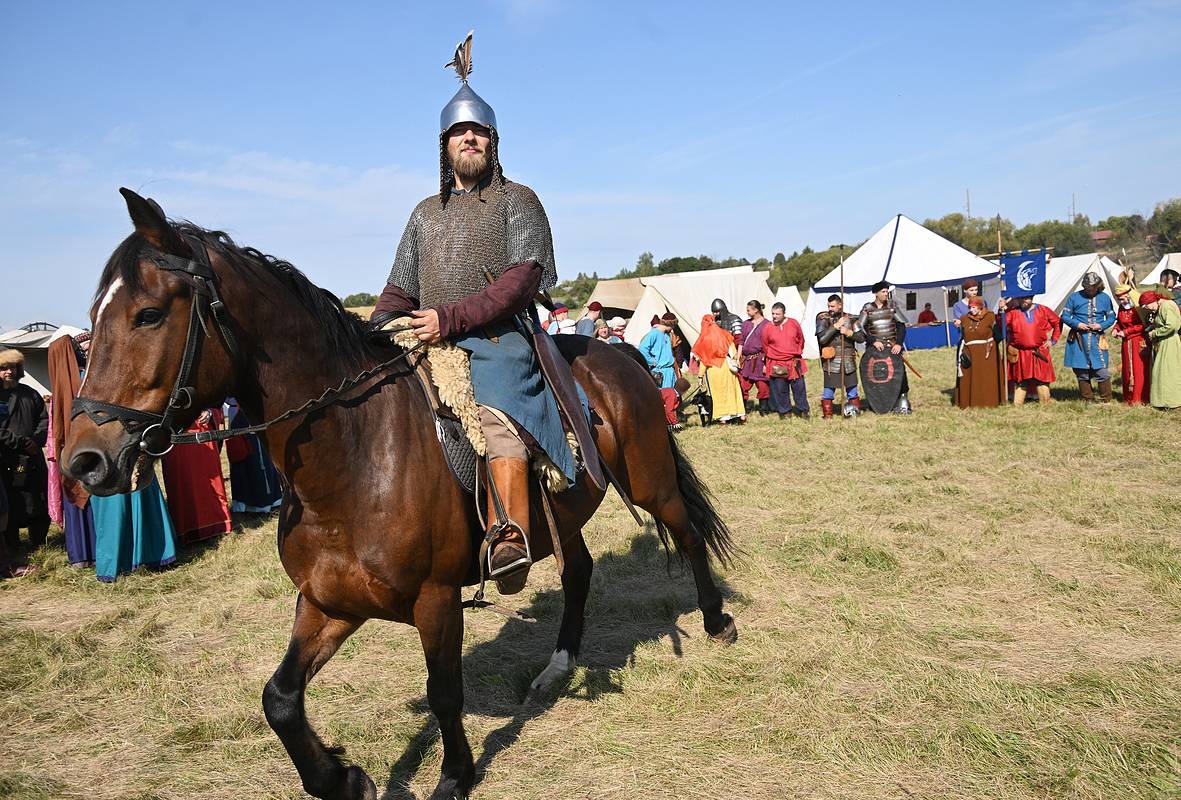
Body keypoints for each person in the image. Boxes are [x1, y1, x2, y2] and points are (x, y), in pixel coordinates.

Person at [370, 46, 575, 593]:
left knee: (498, 403)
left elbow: (522, 279)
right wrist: (376, 325)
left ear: (493, 141)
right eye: (459, 133)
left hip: (496, 335)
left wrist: (451, 317)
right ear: (444, 145)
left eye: (478, 132)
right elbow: (399, 285)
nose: (469, 139)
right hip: (429, 333)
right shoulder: (424, 214)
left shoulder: (518, 200)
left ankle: (510, 533)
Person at [47, 334, 97, 567]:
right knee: (80, 494)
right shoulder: (75, 382)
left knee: (82, 496)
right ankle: (85, 552)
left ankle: (83, 553)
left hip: (77, 448)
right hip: (82, 448)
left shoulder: (68, 383)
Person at [0, 348, 50, 556]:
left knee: (38, 497)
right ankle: (12, 544)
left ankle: (38, 542)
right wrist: (20, 443)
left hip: (33, 457)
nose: (8, 372)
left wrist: (35, 442)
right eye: (3, 368)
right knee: (11, 501)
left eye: (12, 367)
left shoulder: (31, 393)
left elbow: (44, 420)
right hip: (5, 458)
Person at [162, 407, 233, 545]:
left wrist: (210, 413)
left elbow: (216, 403)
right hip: (178, 440)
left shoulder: (203, 385)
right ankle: (187, 530)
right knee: (184, 484)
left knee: (210, 484)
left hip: (203, 435)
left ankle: (217, 524)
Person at [858, 280, 913, 414]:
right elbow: (859, 327)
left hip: (892, 346)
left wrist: (899, 343)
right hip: (874, 349)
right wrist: (872, 340)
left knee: (900, 375)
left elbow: (901, 326)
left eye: (887, 291)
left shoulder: (892, 306)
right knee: (877, 376)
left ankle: (901, 402)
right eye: (883, 291)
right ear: (875, 293)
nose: (886, 294)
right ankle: (878, 403)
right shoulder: (867, 308)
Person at [1061, 272, 1116, 402]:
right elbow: (1065, 316)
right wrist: (1077, 324)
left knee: (1101, 370)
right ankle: (1088, 399)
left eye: (1091, 288)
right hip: (1079, 339)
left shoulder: (1104, 298)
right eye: (1086, 288)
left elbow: (1111, 317)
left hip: (1097, 339)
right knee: (1082, 371)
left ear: (1097, 286)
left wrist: (1101, 325)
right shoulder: (1074, 297)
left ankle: (1106, 399)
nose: (1089, 290)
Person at [225, 397, 283, 514]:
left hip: (252, 412)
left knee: (259, 457)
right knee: (241, 455)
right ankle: (245, 503)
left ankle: (266, 501)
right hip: (238, 415)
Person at [1004, 296, 1061, 405]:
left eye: (1026, 299)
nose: (1023, 301)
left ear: (1032, 298)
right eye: (1021, 299)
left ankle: (1045, 404)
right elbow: (1001, 325)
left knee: (1042, 379)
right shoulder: (1012, 312)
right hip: (1021, 353)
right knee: (1020, 380)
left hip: (1039, 351)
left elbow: (1057, 322)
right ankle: (1017, 405)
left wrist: (1053, 340)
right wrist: (1002, 310)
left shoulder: (1043, 310)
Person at [814, 294, 863, 419]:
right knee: (829, 389)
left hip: (848, 358)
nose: (830, 308)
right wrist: (835, 327)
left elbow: (861, 338)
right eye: (829, 306)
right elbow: (823, 339)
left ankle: (854, 412)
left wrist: (849, 332)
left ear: (840, 305)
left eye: (833, 306)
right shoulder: (823, 318)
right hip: (831, 360)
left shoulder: (850, 319)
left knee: (852, 388)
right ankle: (828, 415)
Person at [691, 315, 745, 424]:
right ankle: (739, 415)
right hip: (726, 366)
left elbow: (704, 360)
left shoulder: (705, 339)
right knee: (732, 390)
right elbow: (734, 353)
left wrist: (700, 375)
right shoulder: (725, 334)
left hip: (713, 369)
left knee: (718, 393)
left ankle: (723, 418)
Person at [954, 297, 1004, 408]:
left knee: (986, 377)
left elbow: (998, 335)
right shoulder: (964, 318)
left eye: (974, 307)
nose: (972, 310)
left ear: (980, 306)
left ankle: (989, 402)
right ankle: (968, 402)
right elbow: (963, 335)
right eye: (970, 307)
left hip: (987, 353)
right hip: (970, 353)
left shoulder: (990, 316)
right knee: (970, 377)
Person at [764, 302, 809, 419]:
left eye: (777, 314)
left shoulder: (793, 323)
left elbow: (801, 339)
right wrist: (775, 356)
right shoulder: (768, 327)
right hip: (777, 362)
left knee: (799, 388)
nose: (774, 316)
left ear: (784, 313)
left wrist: (795, 352)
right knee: (780, 389)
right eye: (773, 314)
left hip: (794, 362)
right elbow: (765, 345)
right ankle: (785, 412)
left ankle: (803, 410)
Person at [1111, 284, 1152, 406]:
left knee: (1138, 369)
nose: (1122, 302)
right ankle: (1129, 398)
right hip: (1126, 343)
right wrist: (1115, 328)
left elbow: (1143, 325)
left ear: (1129, 296)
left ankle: (1140, 398)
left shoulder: (1139, 308)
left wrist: (1126, 332)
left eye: (1123, 299)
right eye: (1120, 300)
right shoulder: (1122, 308)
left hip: (1139, 342)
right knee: (1127, 369)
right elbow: (1119, 321)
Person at [1140, 291, 1181, 410]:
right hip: (1163, 342)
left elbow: (1172, 326)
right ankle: (1163, 401)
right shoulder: (1160, 308)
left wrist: (1156, 333)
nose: (1147, 308)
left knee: (1168, 372)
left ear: (1153, 301)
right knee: (1161, 372)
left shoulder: (1167, 306)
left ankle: (1171, 402)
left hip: (1169, 343)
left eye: (1146, 306)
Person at [738, 300, 771, 415]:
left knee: (763, 387)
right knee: (743, 385)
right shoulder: (746, 324)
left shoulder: (767, 324)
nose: (746, 312)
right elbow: (741, 342)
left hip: (760, 360)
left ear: (756, 310)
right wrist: (738, 358)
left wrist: (767, 363)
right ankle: (742, 410)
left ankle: (764, 410)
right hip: (747, 361)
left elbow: (769, 345)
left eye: (748, 309)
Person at [638, 313, 677, 388]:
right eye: (673, 325)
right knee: (665, 396)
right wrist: (651, 361)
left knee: (672, 396)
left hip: (669, 371)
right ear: (671, 324)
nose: (673, 328)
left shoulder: (667, 334)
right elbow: (642, 348)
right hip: (661, 371)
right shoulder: (654, 334)